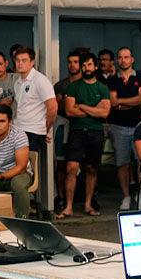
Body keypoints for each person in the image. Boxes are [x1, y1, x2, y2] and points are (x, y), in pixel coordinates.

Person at [56, 53, 110, 218]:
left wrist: (83, 107)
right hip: (76, 132)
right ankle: (69, 206)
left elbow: (105, 113)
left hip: (95, 133)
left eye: (89, 65)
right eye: (84, 65)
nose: (86, 68)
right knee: (71, 168)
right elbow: (69, 111)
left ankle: (87, 204)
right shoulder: (73, 87)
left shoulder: (102, 87)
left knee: (91, 168)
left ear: (95, 67)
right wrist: (94, 109)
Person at [107, 47, 141, 210]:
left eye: (126, 57)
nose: (123, 60)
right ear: (117, 60)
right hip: (118, 126)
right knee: (122, 163)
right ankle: (126, 196)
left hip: (138, 126)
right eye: (120, 57)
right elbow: (113, 102)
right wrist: (132, 102)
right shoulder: (112, 80)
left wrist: (122, 102)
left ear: (132, 59)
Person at [12, 46, 57, 152]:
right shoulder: (17, 82)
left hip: (33, 132)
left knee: (26, 167)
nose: (20, 63)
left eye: (24, 60)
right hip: (18, 129)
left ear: (32, 62)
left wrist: (44, 129)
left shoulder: (40, 80)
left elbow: (53, 108)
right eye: (17, 60)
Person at [53, 51, 82, 210]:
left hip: (81, 128)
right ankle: (61, 197)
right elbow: (63, 108)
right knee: (61, 165)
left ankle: (80, 197)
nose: (73, 65)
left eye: (76, 62)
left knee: (80, 166)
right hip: (62, 126)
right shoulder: (60, 85)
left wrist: (72, 105)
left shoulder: (86, 84)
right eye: (70, 62)